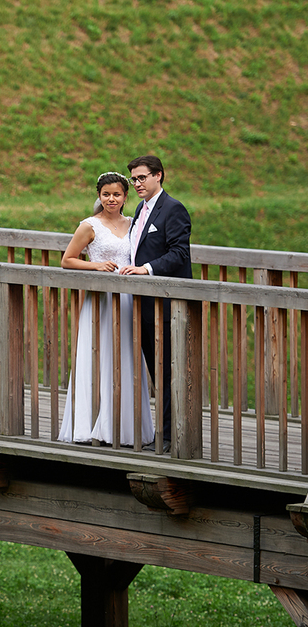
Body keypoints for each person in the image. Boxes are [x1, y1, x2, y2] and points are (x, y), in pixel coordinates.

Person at [58, 172, 154, 447]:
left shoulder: (135, 223)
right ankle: (89, 426)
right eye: (106, 194)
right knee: (97, 356)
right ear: (99, 196)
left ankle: (125, 429)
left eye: (117, 194)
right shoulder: (89, 226)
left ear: (125, 196)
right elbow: (68, 260)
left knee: (127, 358)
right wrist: (96, 265)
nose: (111, 199)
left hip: (128, 300)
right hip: (100, 300)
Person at [119, 155, 192, 453]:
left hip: (167, 303)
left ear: (158, 175)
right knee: (155, 369)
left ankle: (170, 437)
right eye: (134, 179)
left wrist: (146, 269)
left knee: (169, 371)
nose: (137, 184)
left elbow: (179, 253)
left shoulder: (173, 209)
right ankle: (163, 433)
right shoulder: (141, 208)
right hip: (145, 304)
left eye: (142, 177)